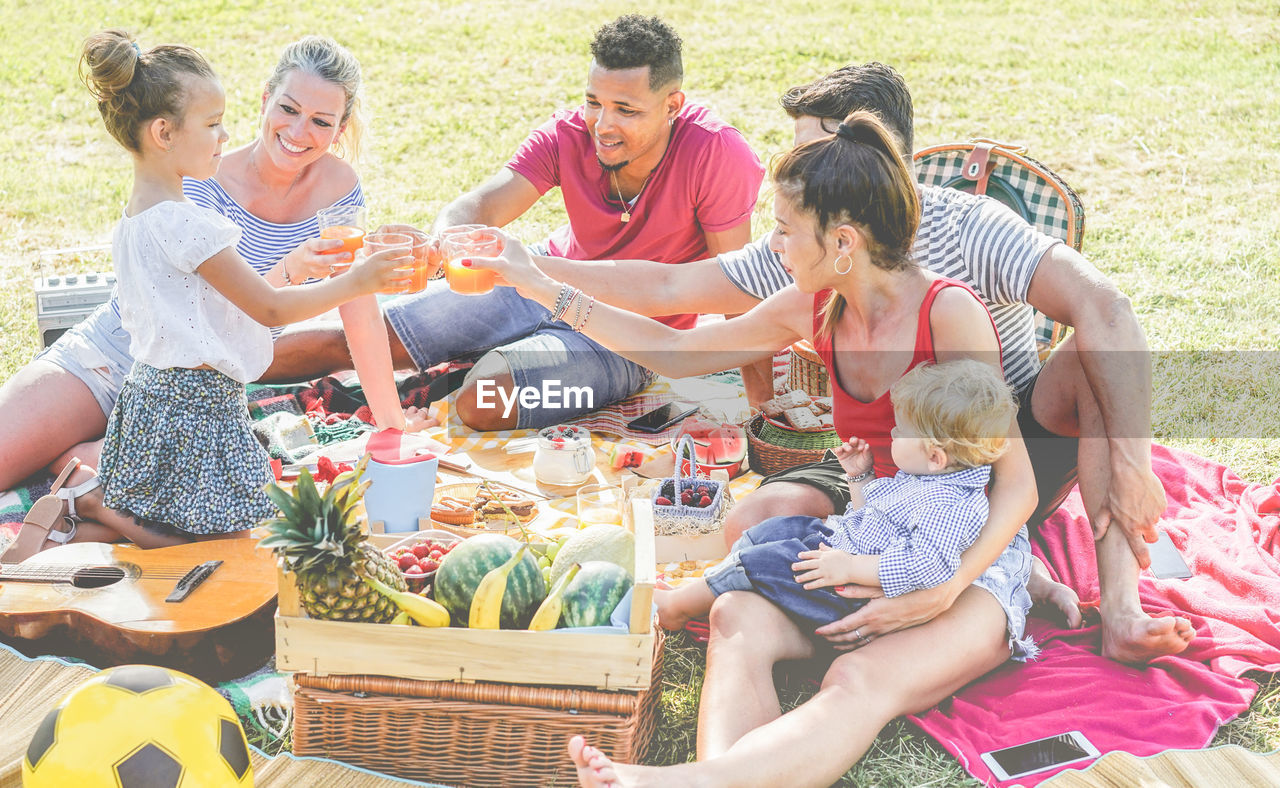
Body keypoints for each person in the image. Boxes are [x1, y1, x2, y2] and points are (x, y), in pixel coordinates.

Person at [518, 62, 1191, 664]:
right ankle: (998, 567)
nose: (798, 174)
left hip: (991, 454)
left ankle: (1112, 605)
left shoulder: (967, 234)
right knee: (753, 522)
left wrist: (1132, 464)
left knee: (1095, 354)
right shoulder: (805, 254)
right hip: (885, 472)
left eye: (817, 153)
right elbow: (671, 299)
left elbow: (1106, 309)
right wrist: (528, 271)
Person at [473, 109, 1044, 788]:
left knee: (857, 676)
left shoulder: (949, 315)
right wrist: (541, 285)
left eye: (782, 230)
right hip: (868, 536)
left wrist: (943, 590)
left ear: (842, 242)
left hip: (960, 562)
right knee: (734, 612)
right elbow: (677, 351)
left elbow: (1017, 485)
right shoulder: (816, 306)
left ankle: (674, 783)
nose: (772, 245)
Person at [0, 31, 409, 563]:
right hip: (113, 357)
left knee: (199, 531)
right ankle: (89, 475)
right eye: (288, 108)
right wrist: (297, 272)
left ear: (340, 128)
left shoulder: (336, 190)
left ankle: (84, 473)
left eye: (321, 121)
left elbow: (354, 312)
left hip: (192, 386)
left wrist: (393, 425)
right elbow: (243, 301)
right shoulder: (195, 175)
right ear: (265, 100)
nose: (299, 130)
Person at [265, 14, 765, 430]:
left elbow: (737, 294)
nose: (602, 125)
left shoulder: (717, 154)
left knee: (483, 400)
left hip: (624, 336)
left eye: (626, 110)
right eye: (594, 102)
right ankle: (213, 366)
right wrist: (446, 242)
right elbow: (477, 206)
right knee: (355, 339)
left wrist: (761, 411)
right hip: (533, 279)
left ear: (672, 105)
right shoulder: (570, 134)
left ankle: (472, 369)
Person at [657, 360, 1030, 648]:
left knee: (763, 562)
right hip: (840, 550)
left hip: (847, 593)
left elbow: (925, 565)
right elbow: (874, 518)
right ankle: (718, 583)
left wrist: (850, 566)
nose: (891, 434)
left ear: (935, 456)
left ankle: (676, 608)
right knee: (772, 533)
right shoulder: (929, 478)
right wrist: (859, 476)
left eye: (899, 431)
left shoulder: (950, 505)